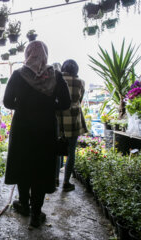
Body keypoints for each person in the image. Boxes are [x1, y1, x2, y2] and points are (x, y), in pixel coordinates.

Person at [3, 41, 71, 228]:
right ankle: (35, 214)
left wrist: (24, 106)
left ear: (27, 54)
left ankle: (23, 203)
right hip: (46, 129)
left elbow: (8, 102)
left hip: (23, 128)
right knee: (41, 168)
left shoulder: (18, 74)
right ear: (45, 54)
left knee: (24, 165)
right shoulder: (55, 75)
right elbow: (65, 103)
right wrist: (48, 106)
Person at [58, 59, 88, 192]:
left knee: (56, 149)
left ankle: (54, 179)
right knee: (71, 152)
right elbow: (80, 100)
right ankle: (66, 182)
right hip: (74, 119)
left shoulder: (57, 80)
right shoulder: (80, 82)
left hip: (58, 118)